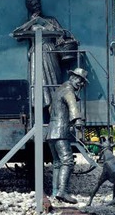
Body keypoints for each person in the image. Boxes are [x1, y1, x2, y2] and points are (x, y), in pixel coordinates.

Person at [12, 0, 79, 108]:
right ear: (29, 8)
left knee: (53, 80)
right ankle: (37, 109)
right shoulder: (29, 23)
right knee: (37, 82)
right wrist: (32, 22)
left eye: (37, 3)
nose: (36, 6)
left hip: (50, 51)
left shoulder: (51, 20)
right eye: (33, 5)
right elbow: (18, 35)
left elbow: (61, 34)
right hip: (36, 54)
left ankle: (55, 105)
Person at [47, 68, 88, 204]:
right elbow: (73, 107)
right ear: (73, 78)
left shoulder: (59, 90)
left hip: (51, 131)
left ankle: (55, 192)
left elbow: (50, 109)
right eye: (80, 81)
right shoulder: (69, 91)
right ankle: (62, 191)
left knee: (58, 163)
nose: (81, 84)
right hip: (61, 131)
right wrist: (78, 121)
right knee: (68, 161)